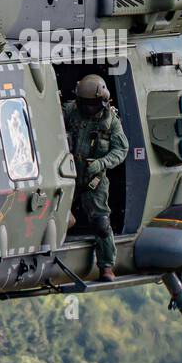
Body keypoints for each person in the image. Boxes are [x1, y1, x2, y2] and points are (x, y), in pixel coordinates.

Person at [63, 74, 128, 281]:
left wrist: (101, 163)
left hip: (94, 180)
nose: (90, 109)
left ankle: (106, 267)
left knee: (101, 223)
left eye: (94, 104)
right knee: (57, 216)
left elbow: (121, 150)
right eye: (86, 104)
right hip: (68, 175)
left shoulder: (111, 122)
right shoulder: (69, 112)